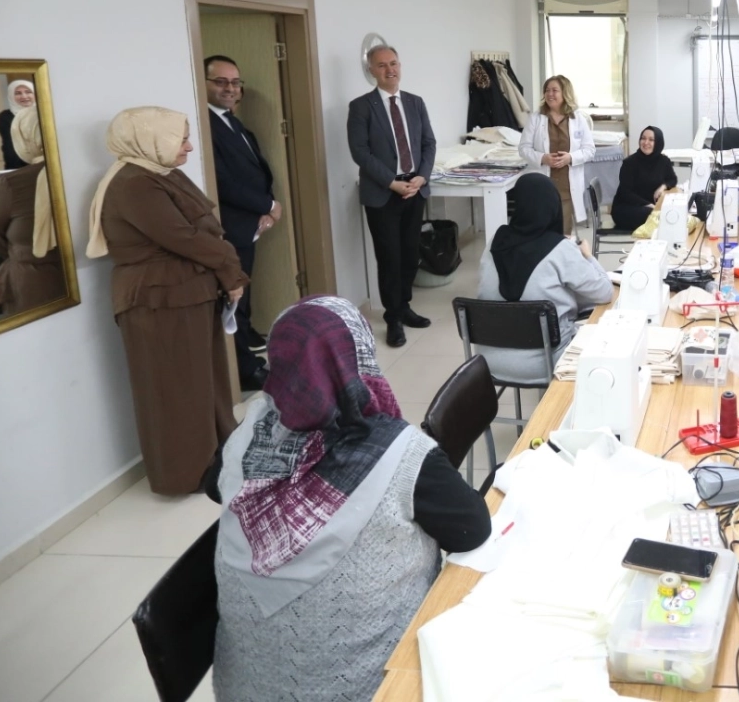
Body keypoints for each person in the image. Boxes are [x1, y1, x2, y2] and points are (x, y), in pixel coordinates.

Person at [208, 295, 490, 702]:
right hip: (374, 689)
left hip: (245, 691)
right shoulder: (399, 453)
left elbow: (213, 485)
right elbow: (473, 529)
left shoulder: (246, 436)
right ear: (358, 360)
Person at [87, 107, 245, 495]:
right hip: (160, 300)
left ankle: (218, 456)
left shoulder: (158, 173)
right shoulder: (134, 184)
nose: (189, 147)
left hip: (187, 293)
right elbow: (185, 238)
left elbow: (204, 230)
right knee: (175, 390)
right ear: (149, 139)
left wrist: (226, 272)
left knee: (204, 382)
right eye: (181, 139)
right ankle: (187, 473)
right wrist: (231, 270)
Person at [477, 175, 613, 383]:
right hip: (546, 363)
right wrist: (587, 256)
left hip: (488, 363)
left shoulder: (494, 242)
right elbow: (605, 292)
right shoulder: (560, 248)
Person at [347, 45, 437, 349]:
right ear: (371, 70)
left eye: (394, 63)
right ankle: (393, 318)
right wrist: (391, 182)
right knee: (389, 257)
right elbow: (360, 152)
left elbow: (428, 143)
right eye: (382, 65)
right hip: (383, 193)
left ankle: (405, 306)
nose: (390, 70)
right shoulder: (361, 106)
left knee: (410, 253)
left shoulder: (415, 102)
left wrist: (422, 176)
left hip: (415, 189)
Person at [205, 55, 280, 389]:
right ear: (203, 83)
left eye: (235, 82)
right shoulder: (206, 125)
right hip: (228, 229)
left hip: (248, 225)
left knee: (243, 297)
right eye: (221, 82)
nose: (230, 89)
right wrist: (270, 205)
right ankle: (246, 372)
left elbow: (254, 171)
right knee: (234, 301)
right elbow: (221, 181)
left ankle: (247, 354)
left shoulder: (231, 122)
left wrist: (266, 208)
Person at [0, 108, 64, 315]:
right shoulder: (77, 171)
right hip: (85, 275)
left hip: (34, 280)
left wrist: (21, 252)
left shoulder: (11, 183)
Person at [518, 74, 596, 235]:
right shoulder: (536, 118)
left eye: (555, 90)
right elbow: (523, 148)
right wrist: (542, 158)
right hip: (542, 184)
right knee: (541, 230)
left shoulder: (577, 119)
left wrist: (570, 158)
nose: (550, 94)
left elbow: (589, 150)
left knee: (563, 232)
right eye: (547, 90)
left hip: (567, 187)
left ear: (565, 93)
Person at [612, 125, 678, 232]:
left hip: (650, 207)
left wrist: (663, 186)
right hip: (627, 208)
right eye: (643, 138)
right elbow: (626, 193)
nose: (646, 142)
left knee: (671, 212)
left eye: (651, 140)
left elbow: (672, 179)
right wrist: (647, 204)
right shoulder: (629, 163)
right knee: (660, 216)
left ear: (658, 142)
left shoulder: (664, 161)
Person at [0, 79, 35, 171]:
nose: (24, 96)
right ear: (11, 96)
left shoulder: (44, 113)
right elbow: (10, 145)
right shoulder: (6, 116)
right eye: (18, 93)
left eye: (28, 92)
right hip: (18, 165)